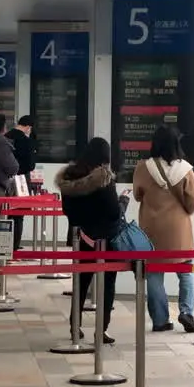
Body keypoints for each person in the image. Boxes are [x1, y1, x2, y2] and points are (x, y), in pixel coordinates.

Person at [56, 137, 128, 344]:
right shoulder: (103, 179)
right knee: (107, 283)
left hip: (81, 237)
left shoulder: (69, 177)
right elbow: (114, 212)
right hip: (106, 238)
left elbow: (68, 211)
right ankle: (101, 329)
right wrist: (123, 201)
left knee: (81, 281)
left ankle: (74, 326)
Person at [133, 125, 194, 333]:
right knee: (186, 270)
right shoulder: (186, 170)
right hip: (179, 229)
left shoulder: (143, 167)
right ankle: (186, 312)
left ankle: (160, 320)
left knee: (153, 274)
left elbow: (137, 195)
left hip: (151, 229)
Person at [4, 115, 37, 250]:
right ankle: (14, 245)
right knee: (18, 214)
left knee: (3, 212)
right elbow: (30, 165)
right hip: (20, 181)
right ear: (28, 127)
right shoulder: (25, 140)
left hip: (4, 179)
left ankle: (4, 243)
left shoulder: (6, 136)